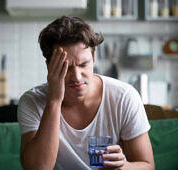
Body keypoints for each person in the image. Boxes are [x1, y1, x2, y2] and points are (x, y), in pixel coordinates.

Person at [17, 16, 154, 170]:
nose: (77, 76)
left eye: (83, 64)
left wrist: (123, 167)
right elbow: (38, 168)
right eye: (66, 67)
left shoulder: (124, 97)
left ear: (93, 58)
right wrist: (54, 101)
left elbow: (148, 166)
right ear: (49, 66)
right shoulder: (32, 101)